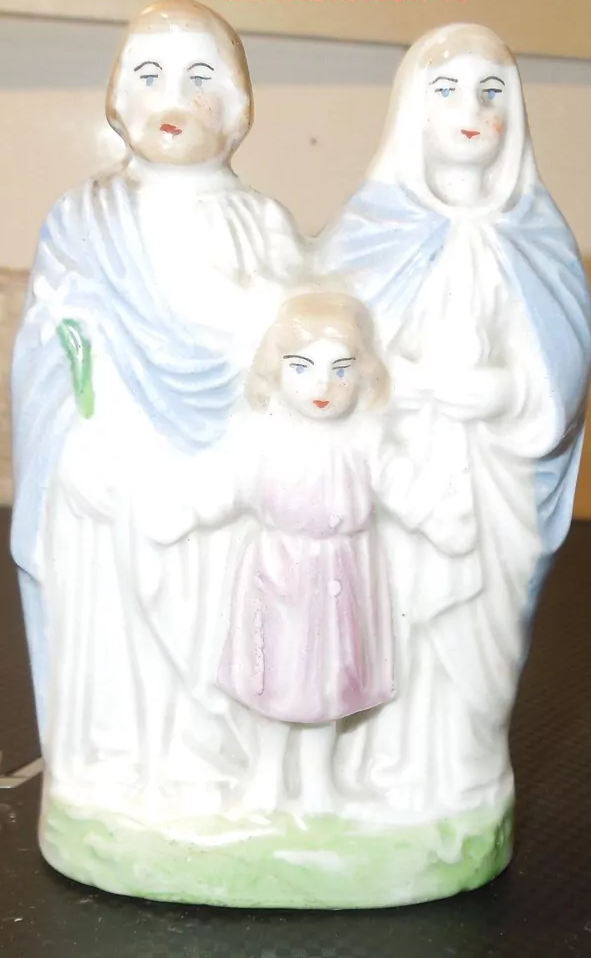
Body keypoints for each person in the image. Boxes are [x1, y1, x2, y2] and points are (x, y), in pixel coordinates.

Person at [11, 0, 305, 816]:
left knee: (217, 627)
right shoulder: (84, 219)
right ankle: (115, 765)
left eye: (198, 77)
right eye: (149, 75)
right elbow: (53, 346)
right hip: (115, 471)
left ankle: (215, 765)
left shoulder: (263, 224)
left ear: (238, 104)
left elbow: (298, 347)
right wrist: (82, 438)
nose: (172, 97)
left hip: (229, 479)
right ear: (117, 98)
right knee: (119, 633)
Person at [316, 23, 591, 820]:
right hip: (400, 473)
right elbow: (326, 346)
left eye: (490, 92)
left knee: (480, 633)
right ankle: (375, 768)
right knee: (390, 621)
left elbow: (562, 364)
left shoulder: (538, 236)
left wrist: (506, 392)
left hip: (493, 481)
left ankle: (462, 781)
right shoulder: (369, 230)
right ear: (412, 108)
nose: (471, 111)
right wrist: (400, 385)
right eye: (446, 91)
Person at [140, 289, 472, 813]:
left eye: (340, 370)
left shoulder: (363, 441)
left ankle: (318, 784)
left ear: (362, 373)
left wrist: (439, 518)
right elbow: (225, 486)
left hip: (343, 576)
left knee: (328, 682)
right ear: (275, 369)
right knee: (275, 676)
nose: (323, 385)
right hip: (278, 573)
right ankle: (266, 777)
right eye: (302, 367)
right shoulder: (265, 440)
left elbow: (400, 484)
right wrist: (181, 513)